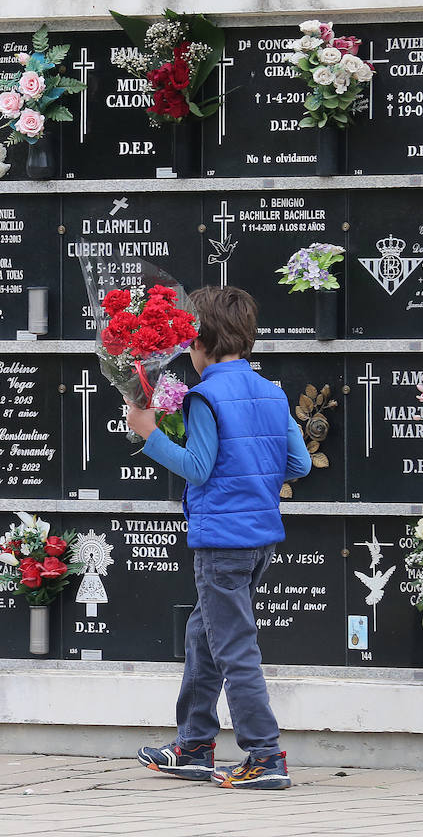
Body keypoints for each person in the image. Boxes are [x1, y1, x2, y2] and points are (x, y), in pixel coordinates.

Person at [124, 286, 310, 791]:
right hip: (260, 538)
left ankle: (265, 756)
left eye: (187, 341)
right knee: (203, 635)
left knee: (233, 647)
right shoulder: (271, 392)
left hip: (221, 542)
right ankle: (193, 746)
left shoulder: (205, 396)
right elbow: (300, 464)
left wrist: (149, 433)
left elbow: (198, 468)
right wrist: (255, 476)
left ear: (198, 342)